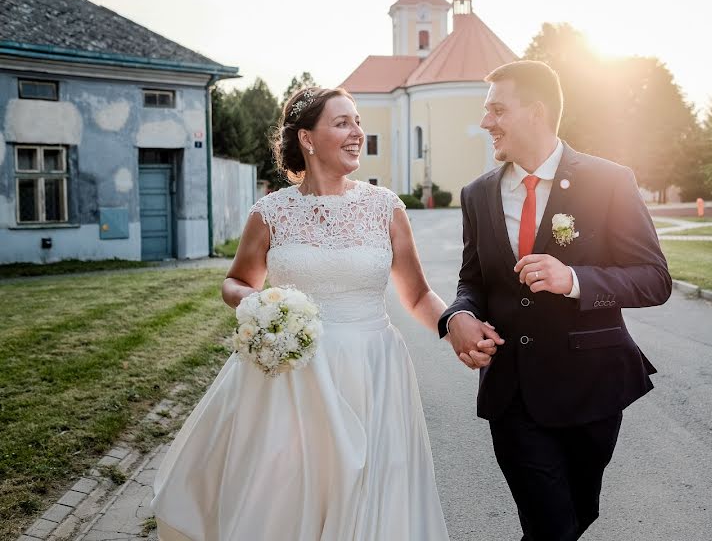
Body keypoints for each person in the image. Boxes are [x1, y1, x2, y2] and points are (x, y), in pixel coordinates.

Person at [152, 87, 498, 540]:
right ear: (308, 139)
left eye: (357, 121)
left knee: (370, 489)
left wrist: (453, 322)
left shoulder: (385, 208)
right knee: (289, 491)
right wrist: (261, 305)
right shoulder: (271, 213)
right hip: (291, 375)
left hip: (372, 372)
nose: (358, 132)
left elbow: (416, 296)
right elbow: (235, 282)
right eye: (343, 123)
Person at [439, 60, 672, 541]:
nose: (486, 122)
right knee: (551, 526)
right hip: (513, 389)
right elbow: (472, 281)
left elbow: (653, 279)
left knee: (577, 514)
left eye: (497, 110)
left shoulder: (608, 181)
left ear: (537, 112)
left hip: (593, 385)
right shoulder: (477, 194)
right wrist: (458, 314)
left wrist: (574, 279)